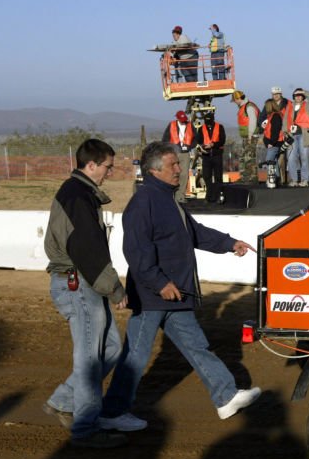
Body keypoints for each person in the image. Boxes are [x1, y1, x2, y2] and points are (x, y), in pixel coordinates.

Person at [103, 141, 261, 423]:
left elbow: (194, 233)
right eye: (173, 165)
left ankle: (225, 396)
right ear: (155, 171)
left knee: (196, 346)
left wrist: (229, 243)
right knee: (135, 356)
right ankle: (112, 413)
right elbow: (137, 253)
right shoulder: (143, 203)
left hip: (175, 294)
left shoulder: (168, 199)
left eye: (178, 163)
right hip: (154, 296)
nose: (180, 169)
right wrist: (160, 283)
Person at [43, 139, 144, 448]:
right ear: (90, 165)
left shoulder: (80, 194)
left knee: (111, 347)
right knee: (89, 359)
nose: (109, 173)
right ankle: (85, 428)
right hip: (79, 283)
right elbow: (87, 249)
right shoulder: (77, 197)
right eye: (107, 167)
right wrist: (114, 288)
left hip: (82, 282)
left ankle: (63, 400)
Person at [283, 88, 309, 187]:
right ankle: (294, 180)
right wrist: (285, 132)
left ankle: (304, 180)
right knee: (290, 158)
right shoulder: (289, 107)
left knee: (304, 157)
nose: (298, 97)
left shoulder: (308, 105)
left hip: (304, 135)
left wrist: (304, 92)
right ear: (293, 96)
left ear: (303, 97)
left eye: (300, 95)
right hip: (292, 135)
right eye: (296, 95)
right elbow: (285, 119)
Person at [162, 110, 198, 202]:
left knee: (184, 174)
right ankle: (170, 195)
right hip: (174, 153)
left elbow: (196, 138)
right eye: (181, 119)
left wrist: (189, 147)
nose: (183, 121)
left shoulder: (190, 125)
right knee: (172, 173)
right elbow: (165, 139)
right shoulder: (171, 125)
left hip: (185, 153)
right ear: (177, 118)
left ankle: (180, 196)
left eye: (184, 119)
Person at [231, 90, 260, 183]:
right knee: (243, 157)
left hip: (250, 136)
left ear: (238, 98)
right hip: (246, 136)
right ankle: (244, 177)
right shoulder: (244, 106)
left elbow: (253, 121)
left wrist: (250, 135)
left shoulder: (249, 107)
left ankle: (253, 177)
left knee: (250, 157)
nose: (234, 102)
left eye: (235, 100)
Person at [261, 87, 287, 186]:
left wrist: (271, 143)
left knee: (269, 161)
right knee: (274, 162)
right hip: (273, 143)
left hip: (275, 143)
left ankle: (272, 179)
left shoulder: (275, 116)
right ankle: (276, 179)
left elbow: (275, 132)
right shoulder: (272, 116)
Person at [199, 112, 226, 203]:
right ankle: (209, 196)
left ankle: (218, 196)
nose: (208, 123)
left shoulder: (220, 127)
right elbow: (199, 140)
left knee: (218, 177)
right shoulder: (201, 129)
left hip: (217, 155)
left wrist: (213, 145)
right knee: (207, 176)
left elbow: (222, 140)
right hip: (206, 156)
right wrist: (202, 147)